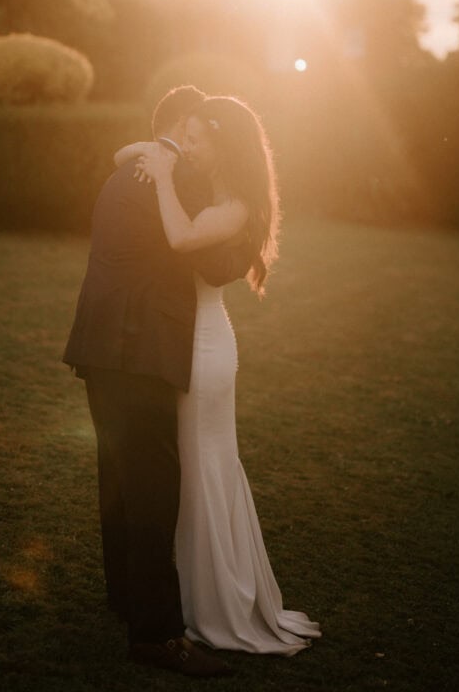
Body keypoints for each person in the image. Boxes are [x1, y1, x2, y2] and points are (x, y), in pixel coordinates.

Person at [62, 86, 249, 678]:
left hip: (99, 346)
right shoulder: (172, 177)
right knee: (152, 490)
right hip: (139, 351)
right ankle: (157, 636)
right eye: (195, 131)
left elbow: (127, 155)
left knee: (117, 479)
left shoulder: (130, 171)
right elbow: (219, 264)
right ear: (178, 123)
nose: (200, 144)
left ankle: (125, 598)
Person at [131, 95, 321, 655]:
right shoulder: (208, 185)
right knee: (194, 473)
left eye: (195, 139)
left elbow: (182, 239)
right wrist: (157, 153)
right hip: (192, 339)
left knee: (205, 470)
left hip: (205, 348)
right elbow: (125, 152)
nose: (185, 147)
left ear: (223, 144)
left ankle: (219, 605)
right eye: (183, 138)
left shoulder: (236, 204)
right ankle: (197, 595)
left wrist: (163, 175)